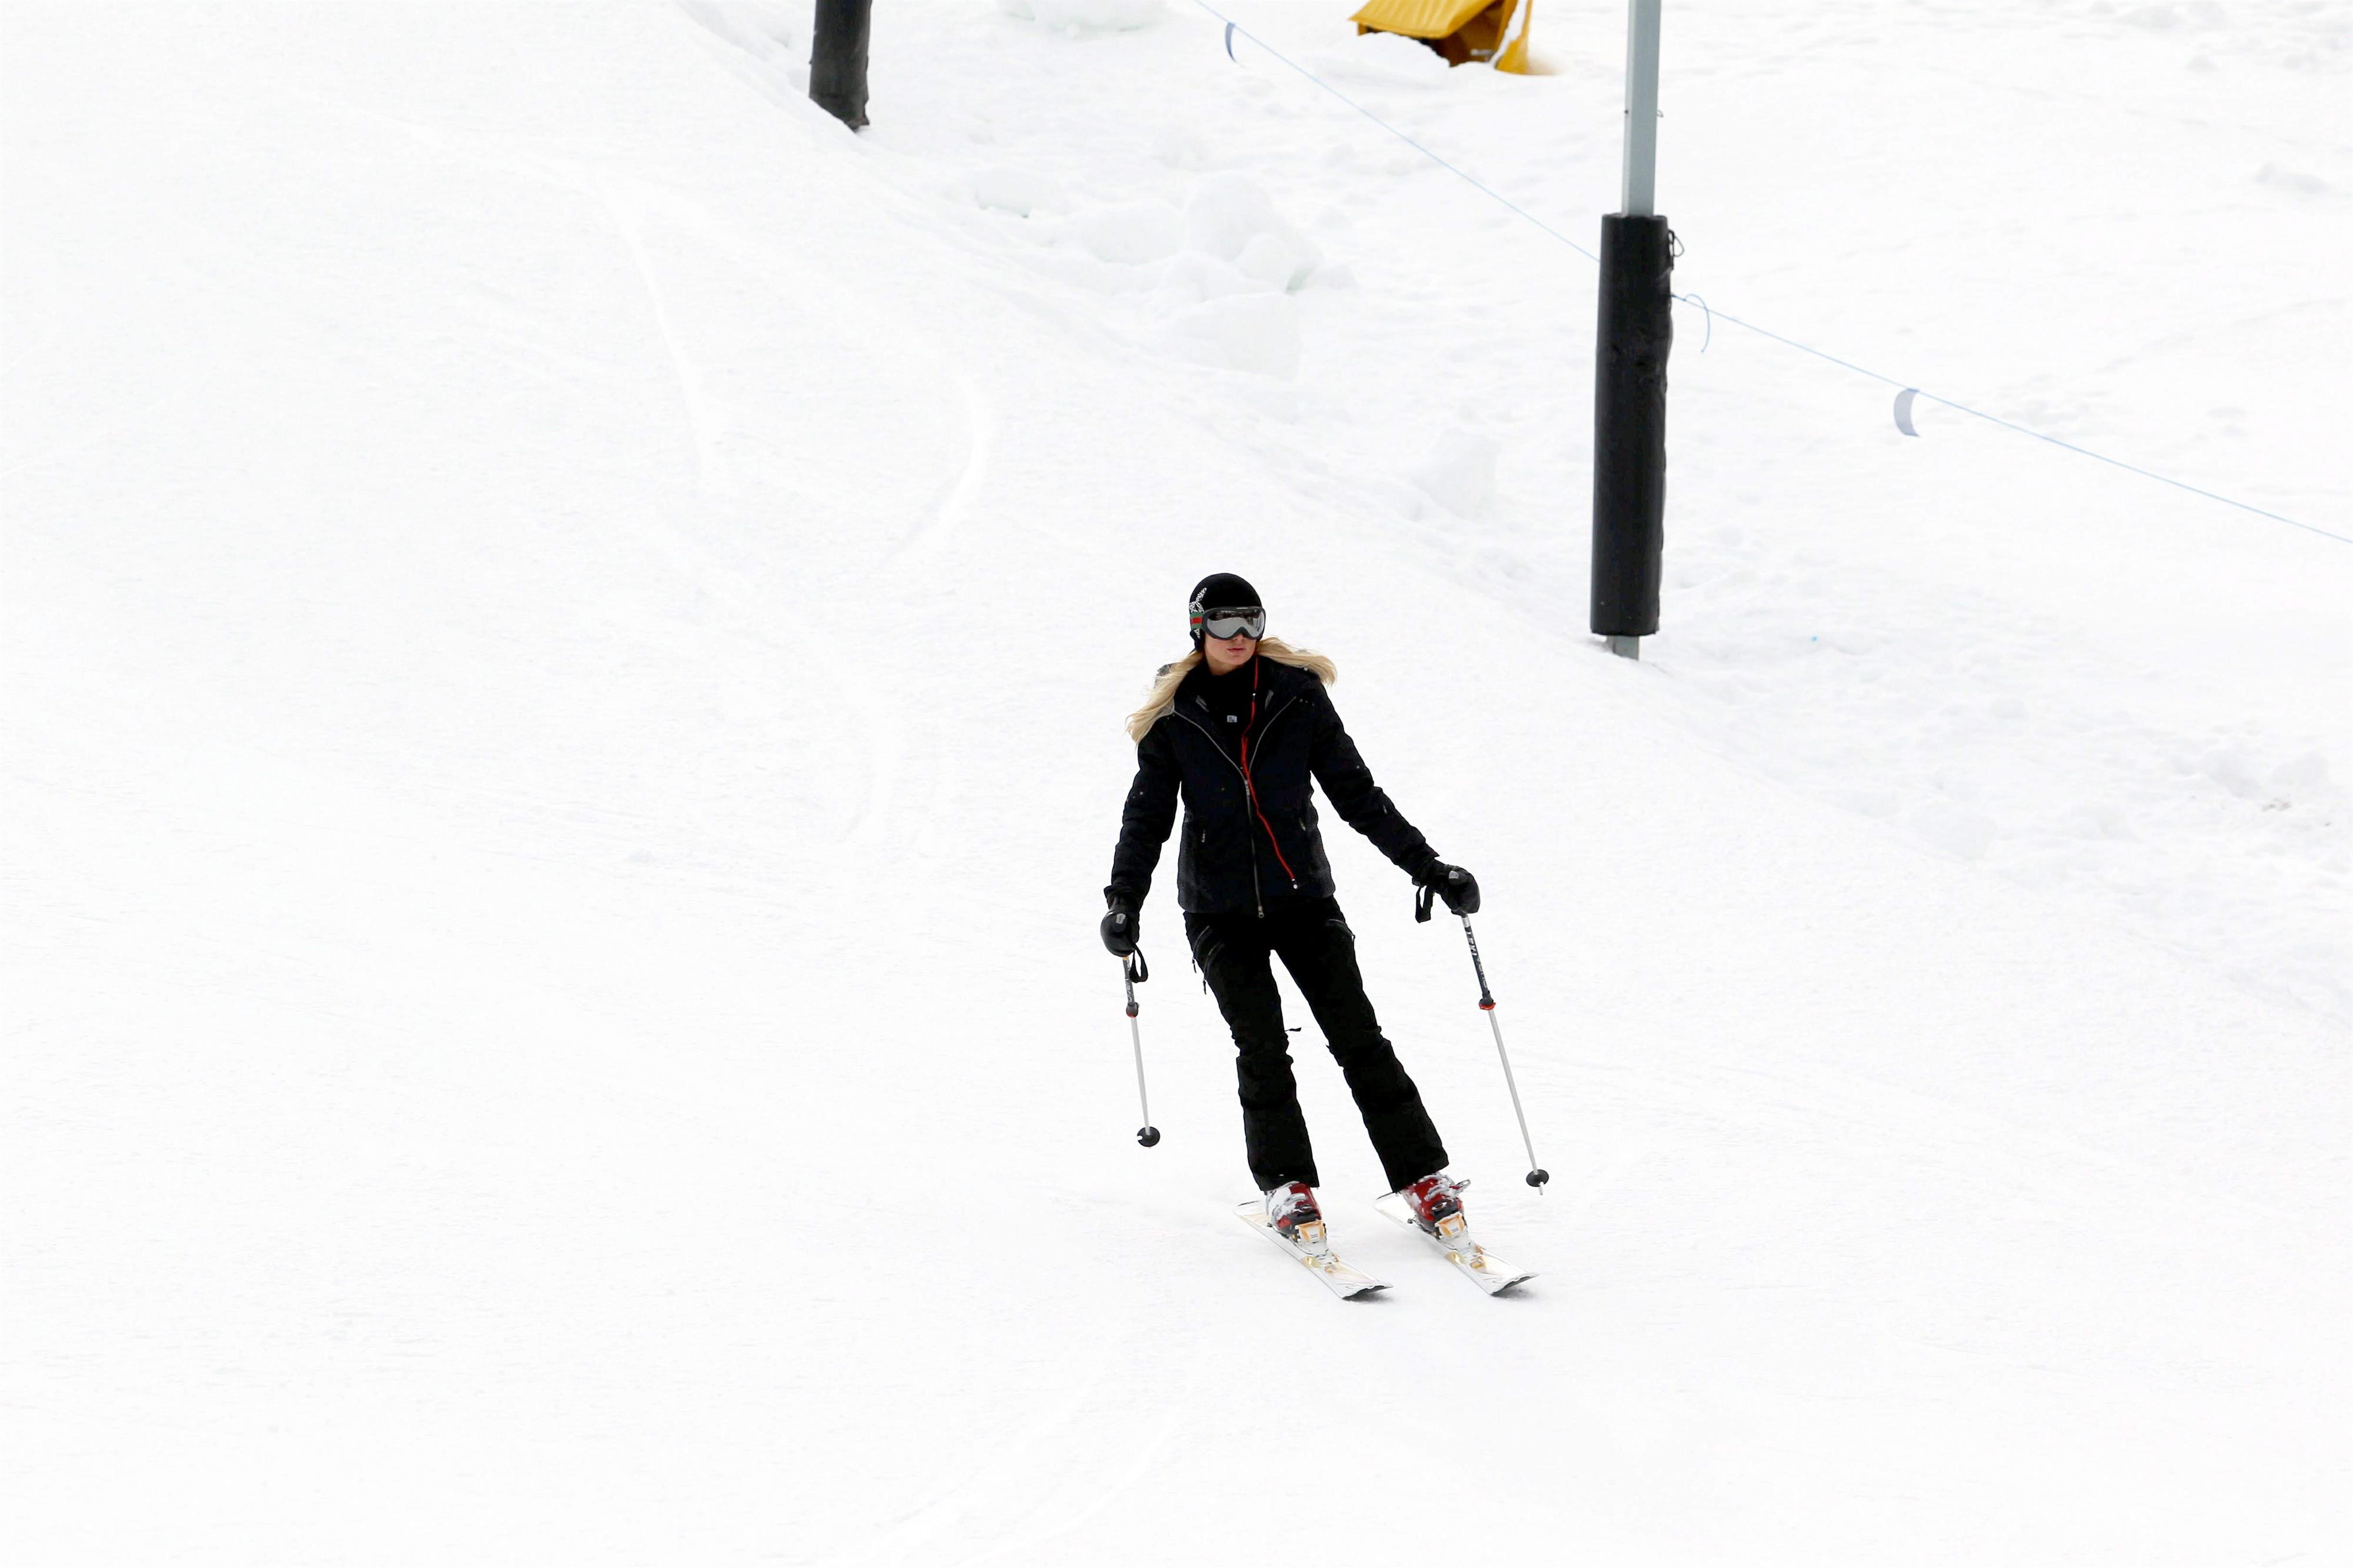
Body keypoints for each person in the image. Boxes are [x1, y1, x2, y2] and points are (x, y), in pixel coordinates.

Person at [1101, 572, 1482, 1252]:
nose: (1239, 637)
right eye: (1222, 623)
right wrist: (1123, 901)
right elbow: (1147, 817)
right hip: (1219, 912)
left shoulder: (1296, 697)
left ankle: (1424, 1178)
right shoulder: (1176, 713)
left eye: (1249, 621)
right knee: (1263, 1045)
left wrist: (1430, 868)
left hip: (1303, 897)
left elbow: (1356, 794)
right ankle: (1287, 1185)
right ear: (1197, 629)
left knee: (1359, 1037)